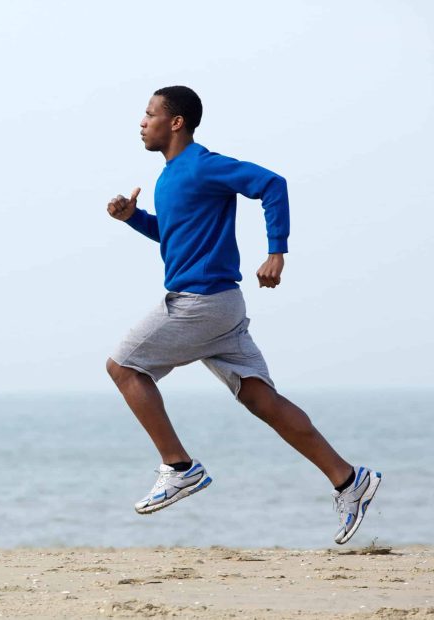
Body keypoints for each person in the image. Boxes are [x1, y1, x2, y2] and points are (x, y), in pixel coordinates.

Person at [106, 85, 381, 544]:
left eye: (149, 114)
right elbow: (177, 240)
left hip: (199, 303)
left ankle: (180, 467)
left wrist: (277, 251)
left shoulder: (203, 165)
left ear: (175, 122)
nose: (142, 122)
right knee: (261, 400)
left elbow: (272, 185)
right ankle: (350, 480)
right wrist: (135, 218)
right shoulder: (170, 176)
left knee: (123, 367)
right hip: (221, 306)